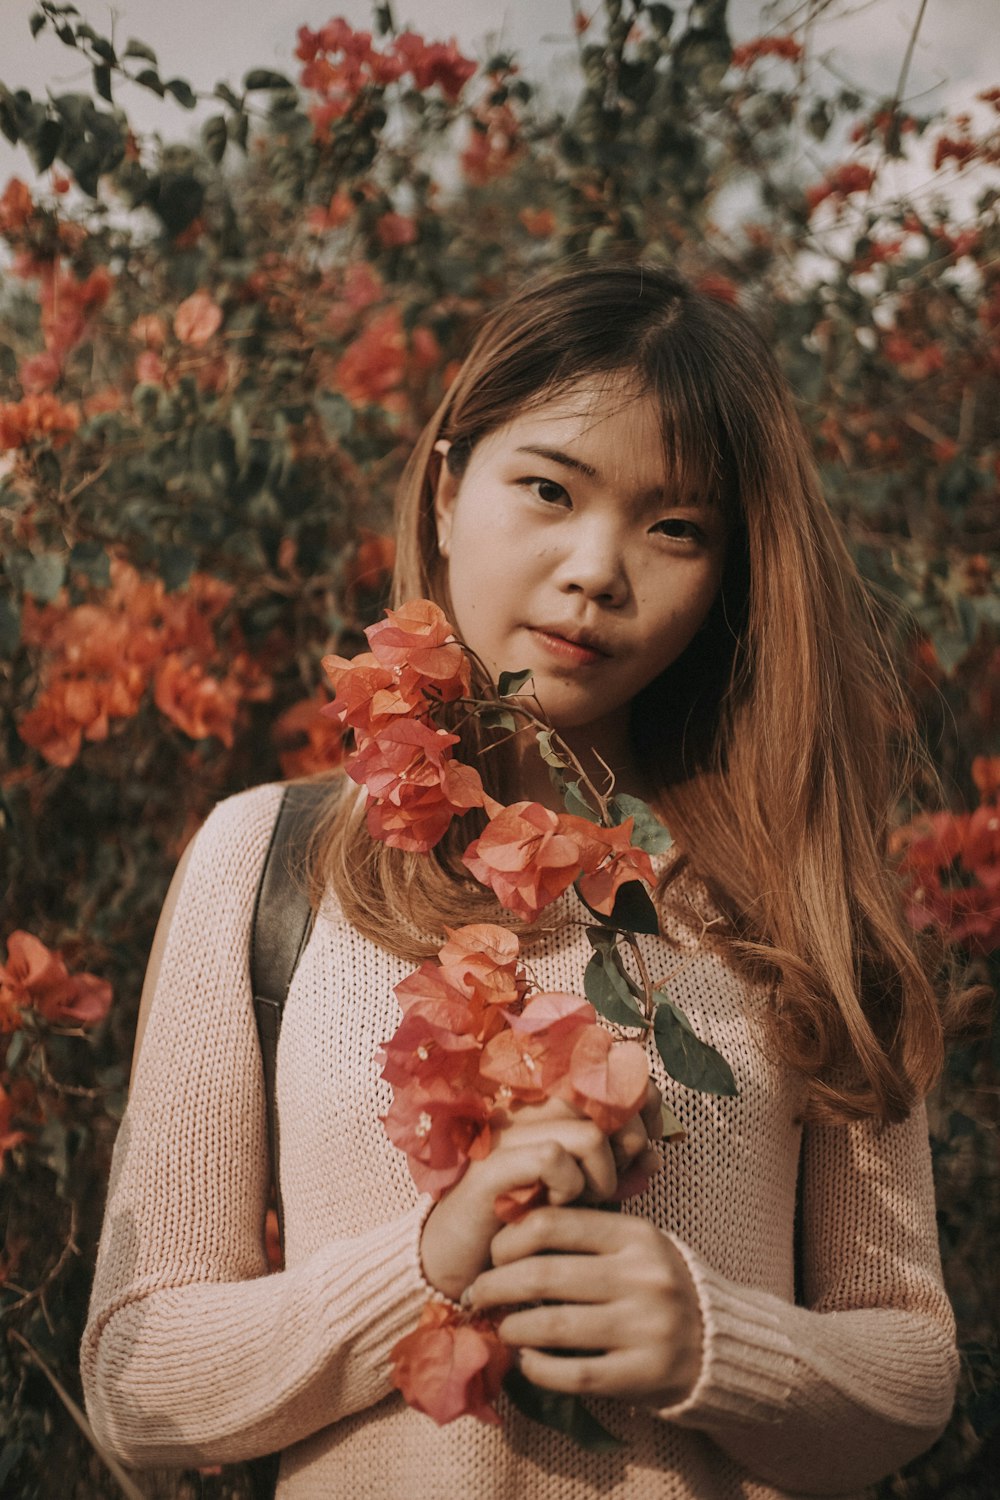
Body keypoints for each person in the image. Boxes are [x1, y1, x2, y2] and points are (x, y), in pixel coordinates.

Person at [81, 263, 959, 1498]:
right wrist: (427, 1269)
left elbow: (911, 1370)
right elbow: (134, 1377)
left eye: (676, 528)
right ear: (447, 490)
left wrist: (720, 1344)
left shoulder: (796, 899)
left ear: (728, 577)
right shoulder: (262, 863)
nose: (597, 568)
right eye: (548, 488)